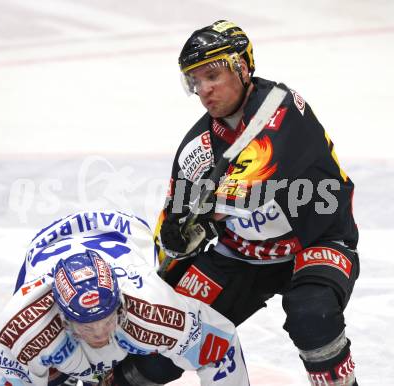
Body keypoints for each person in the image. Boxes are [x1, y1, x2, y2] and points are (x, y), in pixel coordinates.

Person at [155, 20, 360, 386]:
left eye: (212, 75)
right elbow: (173, 220)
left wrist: (206, 209)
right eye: (195, 81)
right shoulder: (197, 148)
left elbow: (256, 174)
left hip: (315, 242)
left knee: (312, 315)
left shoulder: (282, 107)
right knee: (164, 340)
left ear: (243, 66)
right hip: (243, 255)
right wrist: (173, 246)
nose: (204, 90)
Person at [0, 210, 249, 386]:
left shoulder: (153, 307)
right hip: (45, 245)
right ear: (61, 317)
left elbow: (220, 348)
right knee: (49, 373)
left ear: (121, 305)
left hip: (126, 232)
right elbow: (2, 373)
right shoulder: (25, 327)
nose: (99, 333)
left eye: (106, 321)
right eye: (88, 326)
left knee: (155, 368)